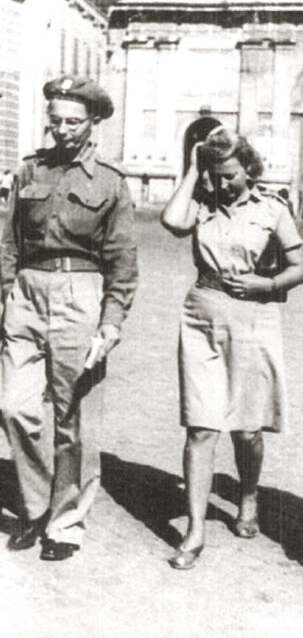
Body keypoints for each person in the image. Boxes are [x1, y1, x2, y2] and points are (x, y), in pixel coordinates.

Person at [0, 75, 138, 560]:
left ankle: (65, 523)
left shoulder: (110, 182)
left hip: (82, 296)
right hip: (27, 294)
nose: (61, 130)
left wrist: (111, 321)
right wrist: (6, 294)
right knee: (13, 406)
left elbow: (122, 260)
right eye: (55, 120)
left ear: (93, 122)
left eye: (73, 122)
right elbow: (10, 240)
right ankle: (37, 504)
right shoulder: (29, 171)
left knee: (74, 419)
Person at [161, 127, 303, 569]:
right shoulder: (201, 205)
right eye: (215, 174)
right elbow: (171, 221)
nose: (223, 183)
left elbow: (299, 267)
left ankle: (248, 495)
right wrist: (192, 169)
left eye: (230, 175)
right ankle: (196, 530)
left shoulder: (272, 208)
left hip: (253, 316)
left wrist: (268, 283)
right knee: (201, 427)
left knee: (247, 428)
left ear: (249, 169)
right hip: (202, 314)